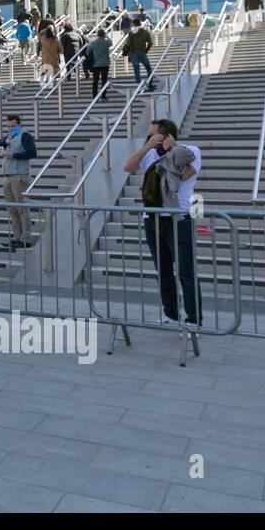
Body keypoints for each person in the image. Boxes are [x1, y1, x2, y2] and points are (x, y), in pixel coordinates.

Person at [125, 119, 202, 327]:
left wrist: (171, 150)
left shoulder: (189, 151)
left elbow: (178, 178)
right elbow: (127, 166)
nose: (149, 138)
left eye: (153, 135)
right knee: (164, 271)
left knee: (186, 271)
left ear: (166, 135)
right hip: (153, 219)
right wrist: (147, 147)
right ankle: (171, 313)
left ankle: (194, 318)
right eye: (149, 135)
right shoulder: (149, 153)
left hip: (179, 219)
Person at [0, 114, 37, 252]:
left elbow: (32, 152)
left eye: (13, 126)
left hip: (19, 176)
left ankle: (26, 239)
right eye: (9, 126)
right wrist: (4, 143)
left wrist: (13, 155)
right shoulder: (8, 136)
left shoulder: (25, 135)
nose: (11, 128)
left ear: (19, 124)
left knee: (22, 208)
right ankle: (17, 237)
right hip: (7, 176)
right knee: (12, 209)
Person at [121, 18, 156, 91]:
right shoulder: (145, 32)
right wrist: (146, 50)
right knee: (149, 69)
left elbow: (129, 44)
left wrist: (127, 50)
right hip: (143, 52)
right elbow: (150, 43)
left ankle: (139, 86)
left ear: (134, 24)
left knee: (137, 71)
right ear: (140, 23)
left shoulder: (131, 33)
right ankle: (150, 83)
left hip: (134, 53)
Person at [89, 28, 113, 98]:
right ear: (104, 34)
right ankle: (104, 96)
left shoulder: (94, 43)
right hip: (105, 64)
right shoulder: (106, 42)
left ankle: (94, 95)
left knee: (95, 81)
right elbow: (111, 43)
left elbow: (88, 52)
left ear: (97, 35)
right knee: (104, 80)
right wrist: (107, 36)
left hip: (96, 64)